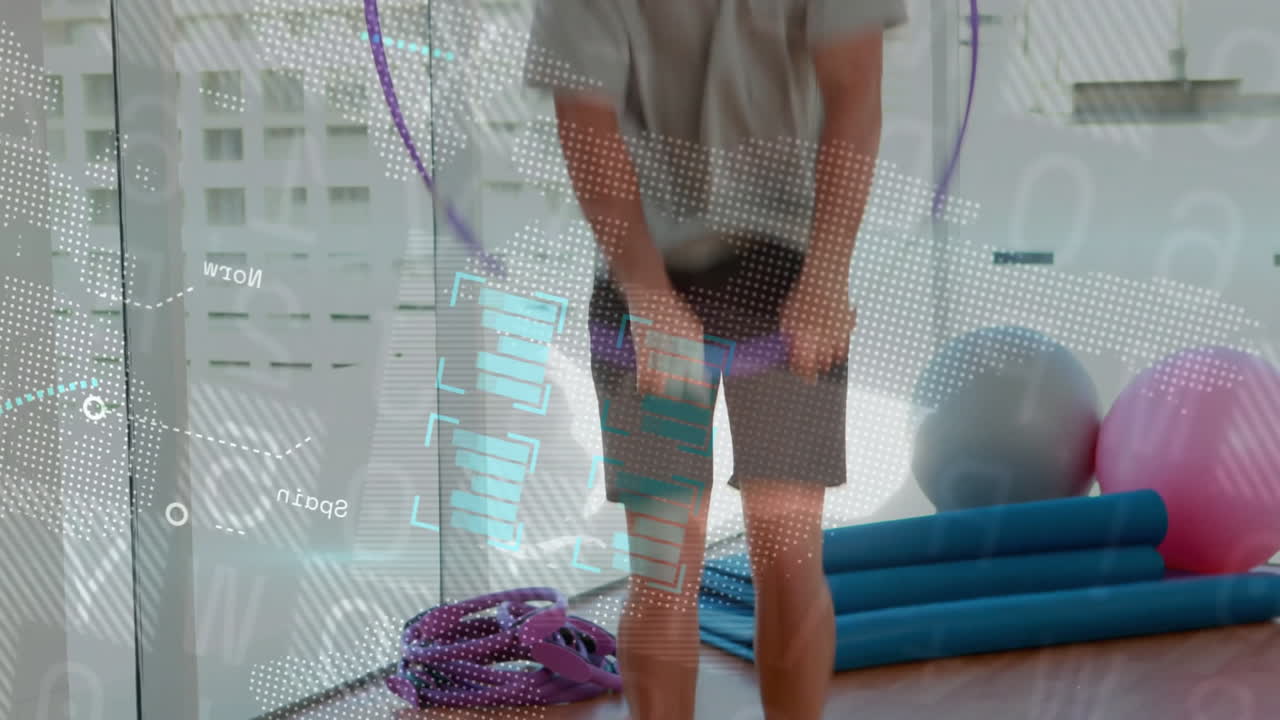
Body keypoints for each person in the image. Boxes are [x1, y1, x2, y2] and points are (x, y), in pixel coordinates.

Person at [524, 2, 906, 718]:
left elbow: (856, 92)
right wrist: (646, 295)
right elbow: (585, 121)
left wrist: (827, 275)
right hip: (644, 264)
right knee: (664, 562)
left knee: (790, 558)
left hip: (786, 274)